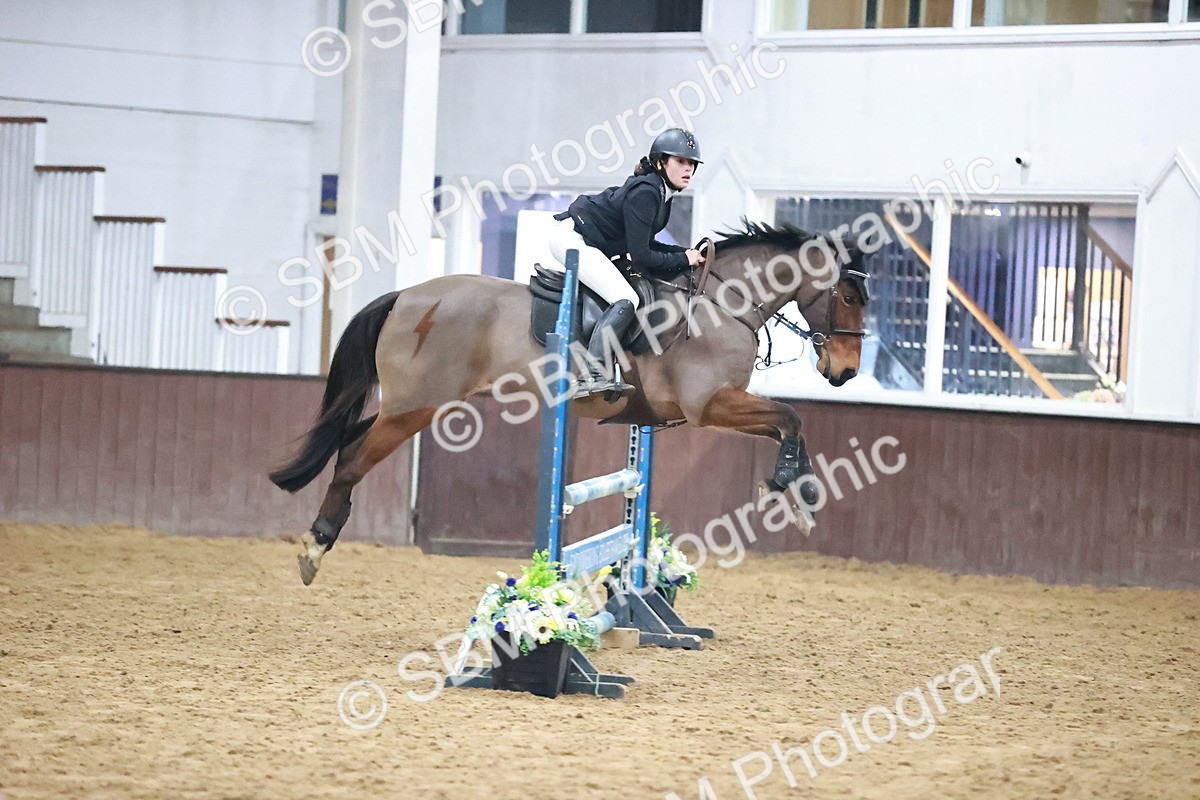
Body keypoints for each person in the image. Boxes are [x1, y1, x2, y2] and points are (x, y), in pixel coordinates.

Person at [549, 128, 706, 397]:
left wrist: (685, 254)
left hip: (588, 241)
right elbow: (642, 256)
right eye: (680, 161)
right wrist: (683, 258)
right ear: (660, 162)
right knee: (625, 299)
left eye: (692, 163)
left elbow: (645, 244)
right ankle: (592, 374)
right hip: (572, 239)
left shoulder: (660, 192)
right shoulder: (647, 192)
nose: (688, 168)